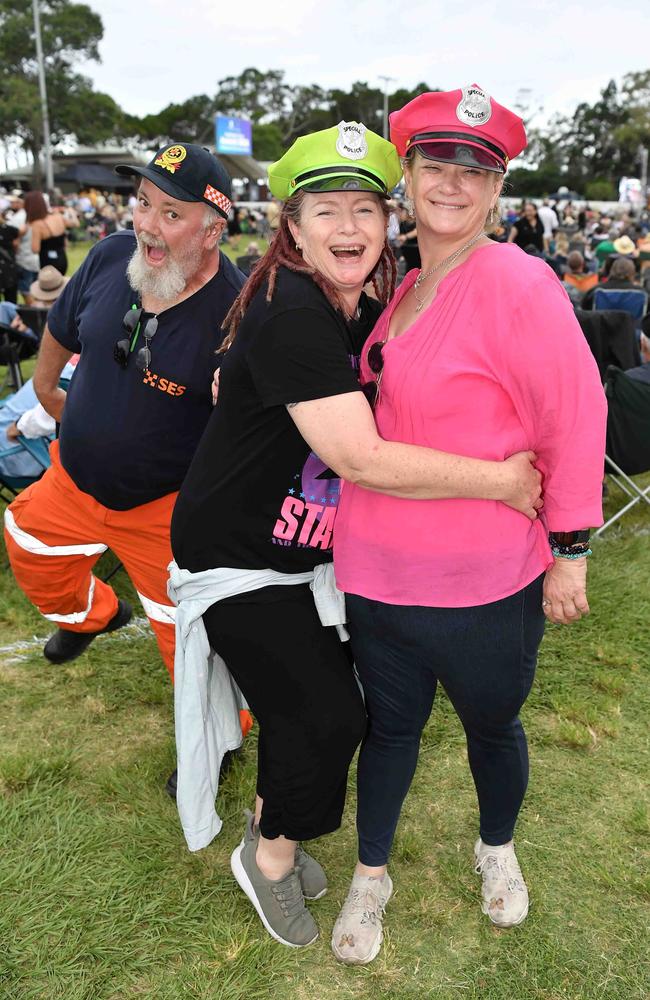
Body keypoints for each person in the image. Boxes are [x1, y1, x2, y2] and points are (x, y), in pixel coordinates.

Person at [169, 122, 542, 949]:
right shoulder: (295, 309)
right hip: (239, 558)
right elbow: (358, 456)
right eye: (326, 211)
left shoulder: (371, 300)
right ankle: (268, 860)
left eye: (366, 210)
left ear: (390, 219)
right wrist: (506, 481)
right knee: (328, 716)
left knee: (326, 707)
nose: (349, 229)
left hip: (302, 556)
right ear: (291, 228)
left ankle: (272, 819)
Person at [331, 85, 607, 965]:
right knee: (392, 730)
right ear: (404, 175)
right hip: (378, 567)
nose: (451, 184)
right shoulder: (404, 280)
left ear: (497, 190)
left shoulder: (518, 281)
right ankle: (370, 876)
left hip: (486, 575)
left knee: (494, 724)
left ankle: (498, 850)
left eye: (474, 170)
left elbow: (575, 412)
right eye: (435, 164)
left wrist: (571, 551)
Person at [3, 143, 250, 745]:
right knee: (27, 541)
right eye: (143, 203)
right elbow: (62, 330)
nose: (146, 224)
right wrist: (45, 393)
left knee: (187, 635)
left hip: (165, 509)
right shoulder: (112, 254)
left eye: (171, 213)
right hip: (72, 478)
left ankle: (220, 738)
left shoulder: (239, 312)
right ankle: (95, 615)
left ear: (214, 229)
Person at [25, 191, 69, 275]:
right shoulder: (58, 217)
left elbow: (35, 249)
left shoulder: (37, 224)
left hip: (47, 262)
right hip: (62, 258)